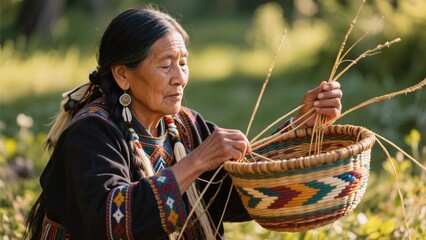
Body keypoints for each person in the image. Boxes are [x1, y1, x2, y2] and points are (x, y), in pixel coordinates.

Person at [23, 6, 342, 240]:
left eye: (183, 63)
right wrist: (198, 160)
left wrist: (300, 127)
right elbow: (111, 224)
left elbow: (237, 194)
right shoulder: (92, 133)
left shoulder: (184, 126)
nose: (179, 79)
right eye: (165, 65)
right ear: (123, 74)